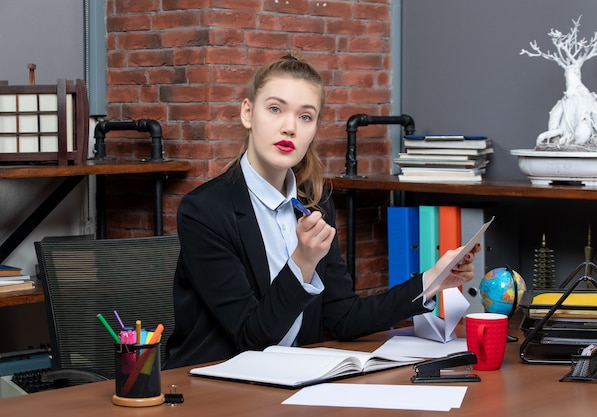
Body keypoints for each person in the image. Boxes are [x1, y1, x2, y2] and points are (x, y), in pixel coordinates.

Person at [163, 54, 481, 369]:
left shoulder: (315, 203)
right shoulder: (204, 210)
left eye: (305, 117)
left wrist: (431, 281)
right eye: (275, 109)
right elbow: (251, 338)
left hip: (293, 381)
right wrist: (302, 262)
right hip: (216, 384)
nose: (290, 127)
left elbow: (343, 317)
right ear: (248, 113)